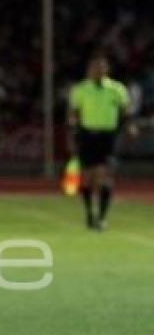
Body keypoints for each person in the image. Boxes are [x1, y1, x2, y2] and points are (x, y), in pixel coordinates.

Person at [68, 53, 136, 231]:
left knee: (104, 175)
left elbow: (126, 110)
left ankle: (103, 216)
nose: (98, 71)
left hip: (108, 136)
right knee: (88, 177)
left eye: (101, 67)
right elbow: (74, 113)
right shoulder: (81, 89)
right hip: (87, 135)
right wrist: (72, 133)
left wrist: (130, 127)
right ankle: (90, 213)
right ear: (89, 70)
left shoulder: (116, 89)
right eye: (94, 67)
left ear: (106, 69)